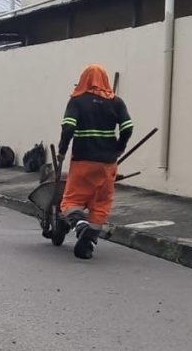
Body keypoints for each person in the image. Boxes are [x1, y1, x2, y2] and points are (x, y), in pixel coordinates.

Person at [57, 64, 133, 260]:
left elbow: (68, 128)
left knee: (70, 200)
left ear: (83, 79)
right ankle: (87, 244)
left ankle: (81, 225)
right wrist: (119, 146)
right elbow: (128, 127)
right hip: (107, 163)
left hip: (83, 160)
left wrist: (62, 151)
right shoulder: (116, 102)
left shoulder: (77, 100)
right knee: (101, 203)